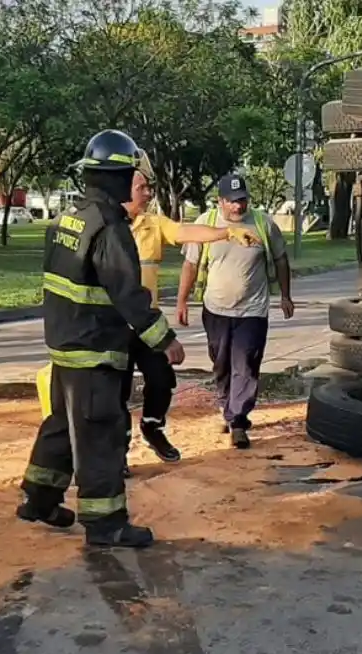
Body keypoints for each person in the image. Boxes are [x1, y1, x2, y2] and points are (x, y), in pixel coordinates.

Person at [17, 129, 186, 549]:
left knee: (61, 425)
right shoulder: (110, 228)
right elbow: (128, 294)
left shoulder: (67, 220)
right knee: (100, 435)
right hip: (93, 350)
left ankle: (39, 499)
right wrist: (165, 342)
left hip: (65, 345)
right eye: (131, 173)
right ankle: (106, 523)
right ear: (117, 176)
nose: (135, 182)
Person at [118, 156, 261, 475]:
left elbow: (185, 231)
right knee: (118, 390)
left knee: (162, 378)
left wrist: (226, 233)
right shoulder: (108, 227)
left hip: (147, 323)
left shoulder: (152, 223)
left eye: (149, 187)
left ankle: (153, 428)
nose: (148, 193)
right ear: (122, 190)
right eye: (142, 188)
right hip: (114, 326)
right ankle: (119, 453)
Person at [176, 174, 294, 449]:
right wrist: (182, 301)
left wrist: (286, 295)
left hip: (253, 310)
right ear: (220, 201)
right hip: (215, 309)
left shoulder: (264, 223)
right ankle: (227, 406)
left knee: (246, 364)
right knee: (221, 364)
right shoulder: (205, 225)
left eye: (242, 201)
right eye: (232, 202)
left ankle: (238, 420)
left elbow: (280, 259)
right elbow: (190, 265)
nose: (238, 207)